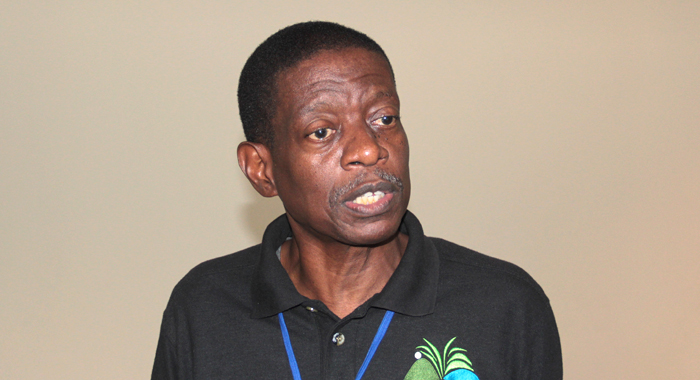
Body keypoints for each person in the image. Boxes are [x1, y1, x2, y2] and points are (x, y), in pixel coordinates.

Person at [152, 21, 562, 380]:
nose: (369, 149)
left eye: (384, 118)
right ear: (262, 169)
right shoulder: (203, 307)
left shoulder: (505, 305)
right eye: (322, 132)